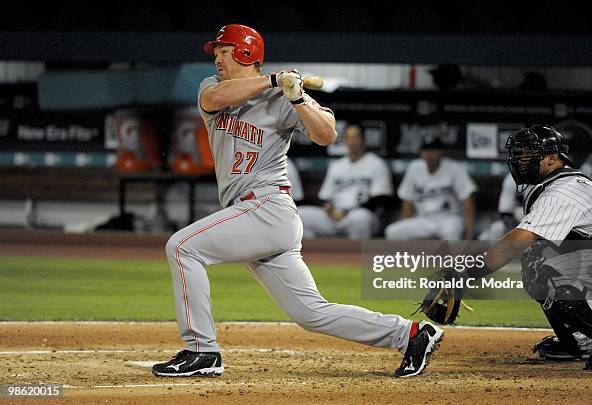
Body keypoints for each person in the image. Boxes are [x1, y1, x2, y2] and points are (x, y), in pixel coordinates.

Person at [151, 24, 443, 379]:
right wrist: (274, 80)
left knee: (182, 246)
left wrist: (297, 97)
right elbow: (217, 100)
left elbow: (326, 135)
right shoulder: (213, 88)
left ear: (245, 53)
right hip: (248, 213)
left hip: (267, 208)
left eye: (223, 52)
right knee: (310, 313)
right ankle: (410, 335)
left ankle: (202, 350)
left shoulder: (282, 98)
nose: (217, 60)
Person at [424, 125, 592, 369]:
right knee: (539, 255)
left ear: (552, 158)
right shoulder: (569, 182)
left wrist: (464, 274)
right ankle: (582, 339)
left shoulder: (561, 191)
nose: (520, 161)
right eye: (518, 155)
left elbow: (514, 243)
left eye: (528, 154)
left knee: (540, 269)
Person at [298, 124, 393, 239]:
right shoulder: (337, 166)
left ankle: (358, 256)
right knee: (299, 215)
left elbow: (380, 200)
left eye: (356, 137)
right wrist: (328, 206)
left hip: (361, 214)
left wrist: (345, 212)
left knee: (360, 218)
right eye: (348, 138)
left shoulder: (377, 164)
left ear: (363, 140)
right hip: (334, 215)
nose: (352, 142)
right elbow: (324, 197)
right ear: (345, 141)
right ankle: (320, 255)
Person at [385, 137, 477, 240]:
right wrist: (407, 224)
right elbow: (407, 202)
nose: (429, 154)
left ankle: (452, 257)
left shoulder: (454, 168)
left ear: (441, 152)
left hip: (450, 218)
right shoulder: (414, 168)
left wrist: (469, 231)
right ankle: (408, 256)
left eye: (433, 150)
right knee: (393, 232)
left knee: (451, 232)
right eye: (426, 150)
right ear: (421, 152)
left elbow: (468, 200)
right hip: (424, 219)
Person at [478, 173, 523, 241]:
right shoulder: (512, 178)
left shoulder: (543, 179)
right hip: (518, 222)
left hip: (540, 220)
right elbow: (505, 213)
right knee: (497, 228)